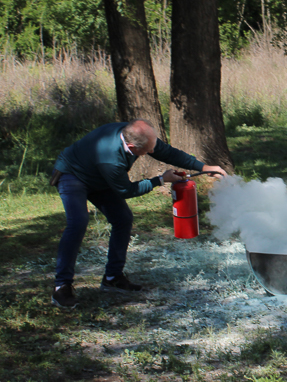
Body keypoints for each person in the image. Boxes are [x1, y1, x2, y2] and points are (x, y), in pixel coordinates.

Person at [49, 119, 226, 308]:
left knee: (123, 219)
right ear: (132, 146)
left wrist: (204, 167)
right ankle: (62, 287)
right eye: (148, 150)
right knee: (78, 223)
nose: (151, 152)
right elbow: (126, 191)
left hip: (101, 177)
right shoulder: (110, 158)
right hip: (74, 175)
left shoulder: (136, 133)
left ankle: (112, 277)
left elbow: (166, 152)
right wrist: (160, 180)